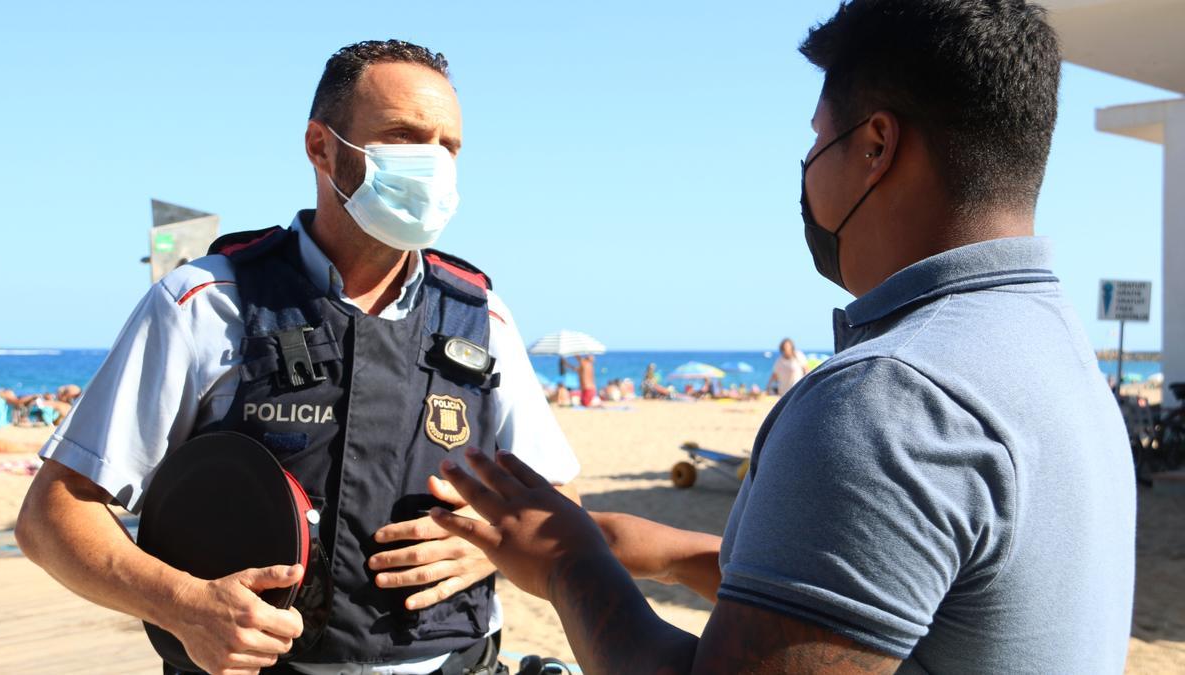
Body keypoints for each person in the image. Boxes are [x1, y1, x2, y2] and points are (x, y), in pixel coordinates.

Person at [423, 3, 1136, 673]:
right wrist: (681, 555)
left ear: (876, 146)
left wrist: (566, 559)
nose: (807, 167)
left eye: (818, 140)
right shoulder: (1054, 351)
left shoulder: (892, 396)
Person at [16, 40, 579, 675]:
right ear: (321, 146)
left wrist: (491, 547)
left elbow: (561, 501)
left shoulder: (483, 318)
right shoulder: (207, 304)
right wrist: (184, 605)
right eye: (403, 136)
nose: (433, 162)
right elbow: (51, 515)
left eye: (448, 146)